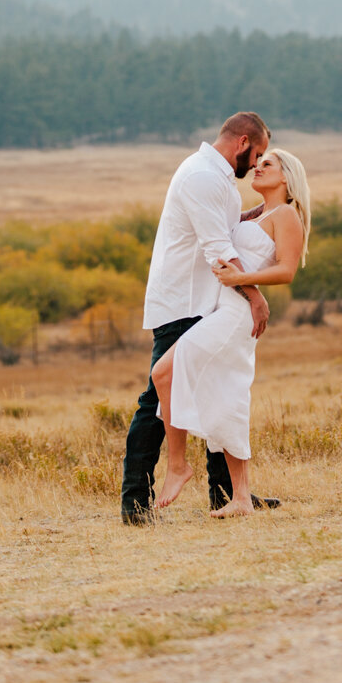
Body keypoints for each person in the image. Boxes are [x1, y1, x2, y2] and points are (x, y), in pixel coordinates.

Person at [121, 111, 273, 525]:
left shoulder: (215, 177)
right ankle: (135, 503)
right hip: (183, 303)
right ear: (242, 142)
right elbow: (216, 248)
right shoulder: (202, 176)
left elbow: (219, 228)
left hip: (204, 302)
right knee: (156, 402)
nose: (256, 163)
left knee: (215, 393)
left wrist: (261, 213)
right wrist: (255, 295)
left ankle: (227, 495)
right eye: (256, 153)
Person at [151, 147, 310, 517]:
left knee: (164, 373)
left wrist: (243, 280)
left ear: (286, 177)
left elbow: (286, 270)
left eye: (267, 164)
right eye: (258, 161)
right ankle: (240, 498)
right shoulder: (259, 214)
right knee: (225, 398)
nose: (257, 167)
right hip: (221, 309)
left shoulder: (287, 215)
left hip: (236, 314)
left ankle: (178, 467)